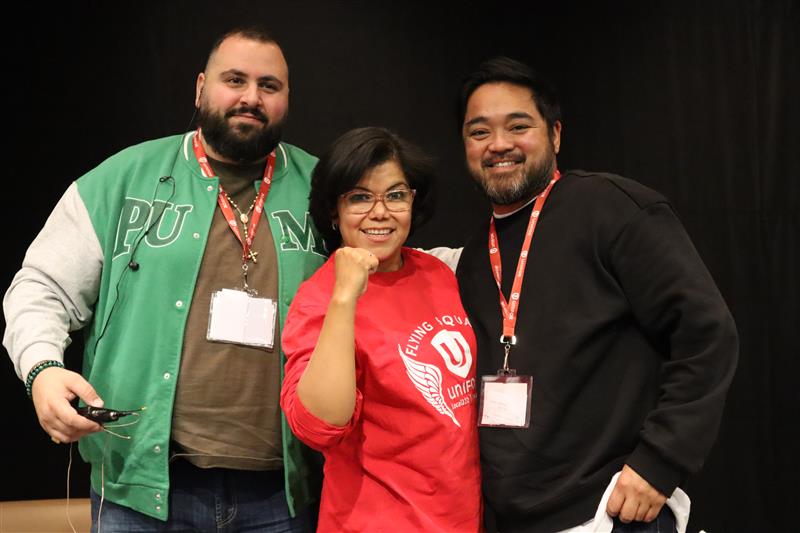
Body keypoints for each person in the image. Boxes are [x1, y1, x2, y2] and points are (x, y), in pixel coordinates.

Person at [3, 26, 326, 531]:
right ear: (200, 88)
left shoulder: (326, 191)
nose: (251, 97)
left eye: (269, 85)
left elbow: (397, 265)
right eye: (234, 80)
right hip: (140, 491)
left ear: (287, 98)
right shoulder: (122, 179)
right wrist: (41, 369)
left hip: (282, 496)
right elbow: (41, 287)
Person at [454, 57, 738, 533]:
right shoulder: (474, 258)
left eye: (518, 126)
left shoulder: (612, 209)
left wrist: (660, 462)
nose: (498, 144)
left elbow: (708, 334)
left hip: (611, 512)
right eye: (479, 132)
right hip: (516, 518)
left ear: (555, 134)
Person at [280, 127, 482, 532]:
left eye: (395, 195)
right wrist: (344, 297)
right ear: (334, 211)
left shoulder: (436, 273)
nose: (380, 212)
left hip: (460, 518)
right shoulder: (319, 298)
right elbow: (318, 427)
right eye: (359, 197)